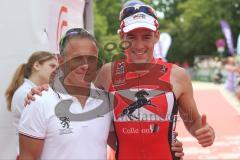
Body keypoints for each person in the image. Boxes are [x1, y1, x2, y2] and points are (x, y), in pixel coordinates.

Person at [23, 28, 185, 159]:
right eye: (77, 58)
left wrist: (168, 144)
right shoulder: (40, 101)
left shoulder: (106, 101)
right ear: (61, 60)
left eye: (91, 58)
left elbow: (124, 144)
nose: (85, 65)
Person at [94, 0, 215, 159]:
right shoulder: (106, 74)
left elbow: (193, 122)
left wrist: (207, 132)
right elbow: (89, 117)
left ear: (156, 36)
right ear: (121, 36)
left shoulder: (177, 76)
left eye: (146, 37)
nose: (139, 45)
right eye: (131, 37)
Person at [5, 51, 58, 157]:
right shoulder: (27, 93)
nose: (56, 71)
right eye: (52, 66)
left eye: (58, 68)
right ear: (37, 65)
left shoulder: (33, 92)